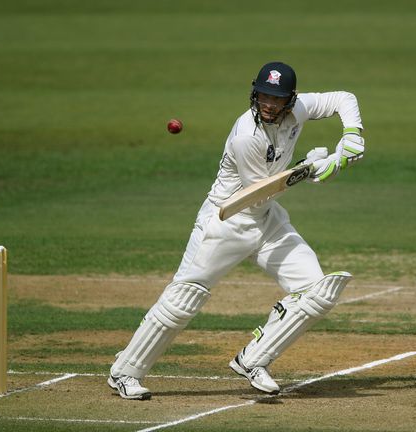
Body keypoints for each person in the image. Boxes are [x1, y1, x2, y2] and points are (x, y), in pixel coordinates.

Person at [107, 61, 365, 400]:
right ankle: (124, 372)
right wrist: (318, 166)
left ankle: (253, 360)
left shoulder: (299, 109)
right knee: (185, 298)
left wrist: (351, 134)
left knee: (318, 290)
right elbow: (260, 190)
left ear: (290, 99)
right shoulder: (246, 135)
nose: (269, 105)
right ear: (255, 94)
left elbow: (344, 98)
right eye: (264, 97)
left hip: (267, 219)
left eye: (277, 99)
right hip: (226, 221)